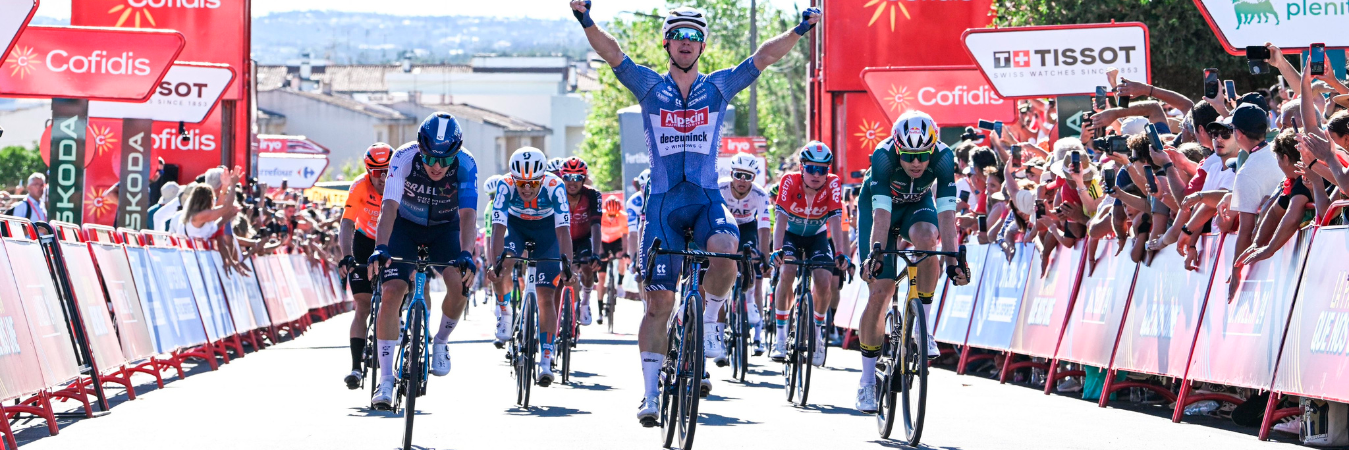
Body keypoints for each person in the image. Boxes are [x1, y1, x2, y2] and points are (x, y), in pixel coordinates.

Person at [571, 0, 820, 424]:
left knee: (727, 248)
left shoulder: (718, 87)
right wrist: (586, 18)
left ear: (702, 45)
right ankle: (650, 395)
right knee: (658, 304)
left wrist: (799, 30)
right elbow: (612, 52)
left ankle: (709, 321)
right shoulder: (649, 85)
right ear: (667, 43)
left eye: (694, 37)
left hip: (705, 197)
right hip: (664, 203)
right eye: (679, 36)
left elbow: (762, 57)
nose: (686, 43)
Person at [855, 111, 971, 413]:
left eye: (922, 155)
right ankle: (867, 381)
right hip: (880, 210)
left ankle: (923, 328)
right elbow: (881, 217)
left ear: (932, 148)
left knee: (928, 240)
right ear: (897, 148)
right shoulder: (882, 158)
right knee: (881, 292)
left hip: (917, 207)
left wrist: (952, 259)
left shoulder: (945, 159)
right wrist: (876, 254)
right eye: (908, 156)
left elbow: (947, 214)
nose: (916, 163)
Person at [366, 112, 479, 409]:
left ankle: (440, 341)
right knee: (391, 293)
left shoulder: (466, 164)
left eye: (445, 160)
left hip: (445, 229)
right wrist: (380, 246)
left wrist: (467, 253)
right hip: (404, 227)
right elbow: (388, 206)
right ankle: (386, 381)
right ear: (420, 149)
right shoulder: (403, 158)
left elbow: (468, 214)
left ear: (456, 153)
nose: (437, 166)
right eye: (430, 159)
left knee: (459, 286)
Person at [486, 147, 574, 387]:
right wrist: (495, 264)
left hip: (548, 233)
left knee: (546, 297)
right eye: (521, 183)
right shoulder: (505, 185)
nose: (526, 188)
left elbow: (564, 231)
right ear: (514, 178)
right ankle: (504, 311)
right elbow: (498, 229)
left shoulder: (555, 186)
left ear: (542, 178)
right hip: (516, 227)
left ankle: (547, 356)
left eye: (532, 184)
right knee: (505, 262)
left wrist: (568, 266)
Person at [768, 142, 851, 368]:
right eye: (811, 168)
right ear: (802, 166)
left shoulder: (833, 183)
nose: (816, 174)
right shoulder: (789, 181)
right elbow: (781, 219)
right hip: (790, 236)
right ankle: (781, 337)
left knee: (825, 282)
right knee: (787, 271)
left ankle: (817, 334)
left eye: (822, 169)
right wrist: (777, 249)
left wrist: (841, 252)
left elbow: (836, 219)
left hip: (817, 236)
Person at [338, 143, 392, 389]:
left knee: (393, 300)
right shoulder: (360, 185)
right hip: (363, 240)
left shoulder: (401, 183)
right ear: (368, 170)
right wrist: (346, 255)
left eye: (388, 170)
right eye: (377, 171)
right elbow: (347, 223)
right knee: (362, 305)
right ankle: (356, 367)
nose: (382, 177)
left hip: (391, 240)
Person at [719, 153, 771, 356]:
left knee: (749, 254)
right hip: (725, 224)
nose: (742, 180)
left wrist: (765, 257)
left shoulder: (760, 194)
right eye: (739, 175)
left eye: (748, 176)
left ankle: (749, 302)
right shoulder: (721, 187)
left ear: (754, 178)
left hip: (748, 226)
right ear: (731, 173)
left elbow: (764, 227)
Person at [559, 157, 603, 326]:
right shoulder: (557, 193)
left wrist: (596, 254)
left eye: (577, 177)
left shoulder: (592, 195)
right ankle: (569, 309)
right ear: (562, 178)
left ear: (584, 179)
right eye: (568, 177)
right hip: (562, 238)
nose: (572, 182)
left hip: (583, 239)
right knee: (564, 273)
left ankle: (585, 302)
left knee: (587, 267)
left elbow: (596, 225)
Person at [597, 194, 629, 325]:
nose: (611, 218)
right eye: (609, 215)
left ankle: (620, 284)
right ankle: (599, 311)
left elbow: (626, 236)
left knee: (622, 259)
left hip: (616, 241)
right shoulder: (600, 216)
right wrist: (600, 252)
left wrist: (625, 252)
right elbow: (596, 235)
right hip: (602, 241)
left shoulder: (623, 217)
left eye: (614, 215)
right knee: (602, 278)